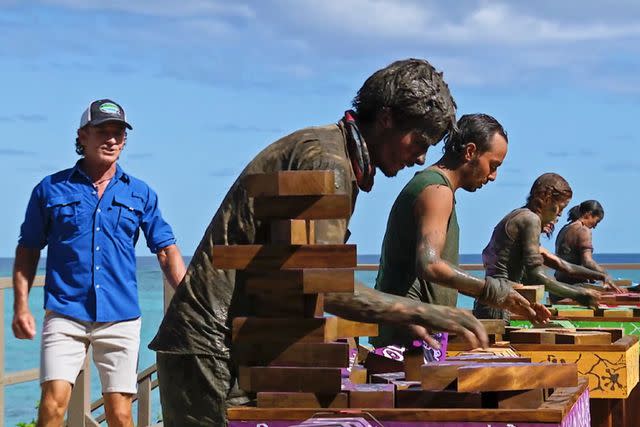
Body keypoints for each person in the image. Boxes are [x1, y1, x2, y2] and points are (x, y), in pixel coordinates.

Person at [148, 59, 524, 427]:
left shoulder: (334, 155)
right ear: (387, 118)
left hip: (236, 346)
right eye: (419, 140)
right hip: (213, 348)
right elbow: (322, 283)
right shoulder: (324, 162)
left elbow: (295, 275)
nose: (421, 156)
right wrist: (423, 312)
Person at [11, 99, 186, 427]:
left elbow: (166, 250)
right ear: (82, 136)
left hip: (120, 317)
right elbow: (28, 249)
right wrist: (21, 306)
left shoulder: (140, 193)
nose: (111, 140)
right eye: (102, 131)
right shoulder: (50, 189)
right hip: (65, 312)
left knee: (120, 414)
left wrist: (191, 300)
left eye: (118, 133)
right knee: (52, 406)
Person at [371, 114, 550, 348]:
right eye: (493, 165)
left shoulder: (436, 187)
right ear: (470, 152)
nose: (493, 176)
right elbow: (430, 265)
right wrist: (494, 292)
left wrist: (508, 292)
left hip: (414, 333)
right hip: (404, 339)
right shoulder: (437, 190)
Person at [473, 173, 603, 320]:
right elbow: (537, 276)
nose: (559, 214)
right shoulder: (531, 219)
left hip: (491, 299)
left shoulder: (518, 214)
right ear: (547, 199)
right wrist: (578, 294)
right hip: (500, 303)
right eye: (560, 207)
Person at [553, 200, 622, 301]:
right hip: (575, 289)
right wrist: (605, 275)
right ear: (588, 214)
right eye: (596, 221)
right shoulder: (583, 230)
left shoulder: (564, 229)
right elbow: (587, 262)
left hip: (558, 288)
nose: (595, 226)